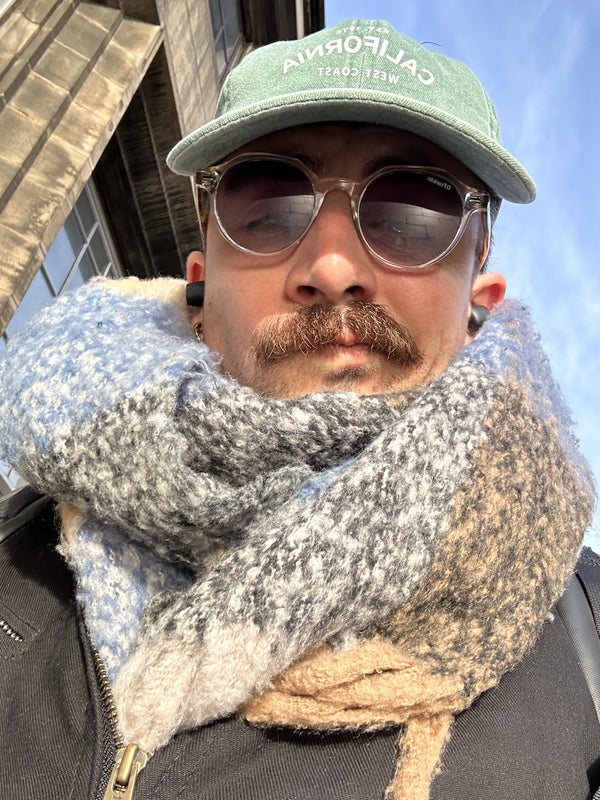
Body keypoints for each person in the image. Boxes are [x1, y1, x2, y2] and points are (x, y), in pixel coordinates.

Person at [0, 18, 598, 800]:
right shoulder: (17, 549)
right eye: (268, 202)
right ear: (200, 285)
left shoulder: (587, 640)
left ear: (477, 304)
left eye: (413, 210)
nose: (334, 265)